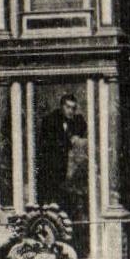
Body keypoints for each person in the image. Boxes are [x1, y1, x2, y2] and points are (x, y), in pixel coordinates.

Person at [37, 95, 88, 245]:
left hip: (68, 173)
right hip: (51, 171)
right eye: (68, 107)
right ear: (61, 107)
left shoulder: (77, 121)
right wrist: (69, 140)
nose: (71, 111)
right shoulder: (50, 120)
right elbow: (51, 144)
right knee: (53, 206)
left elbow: (82, 128)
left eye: (73, 108)